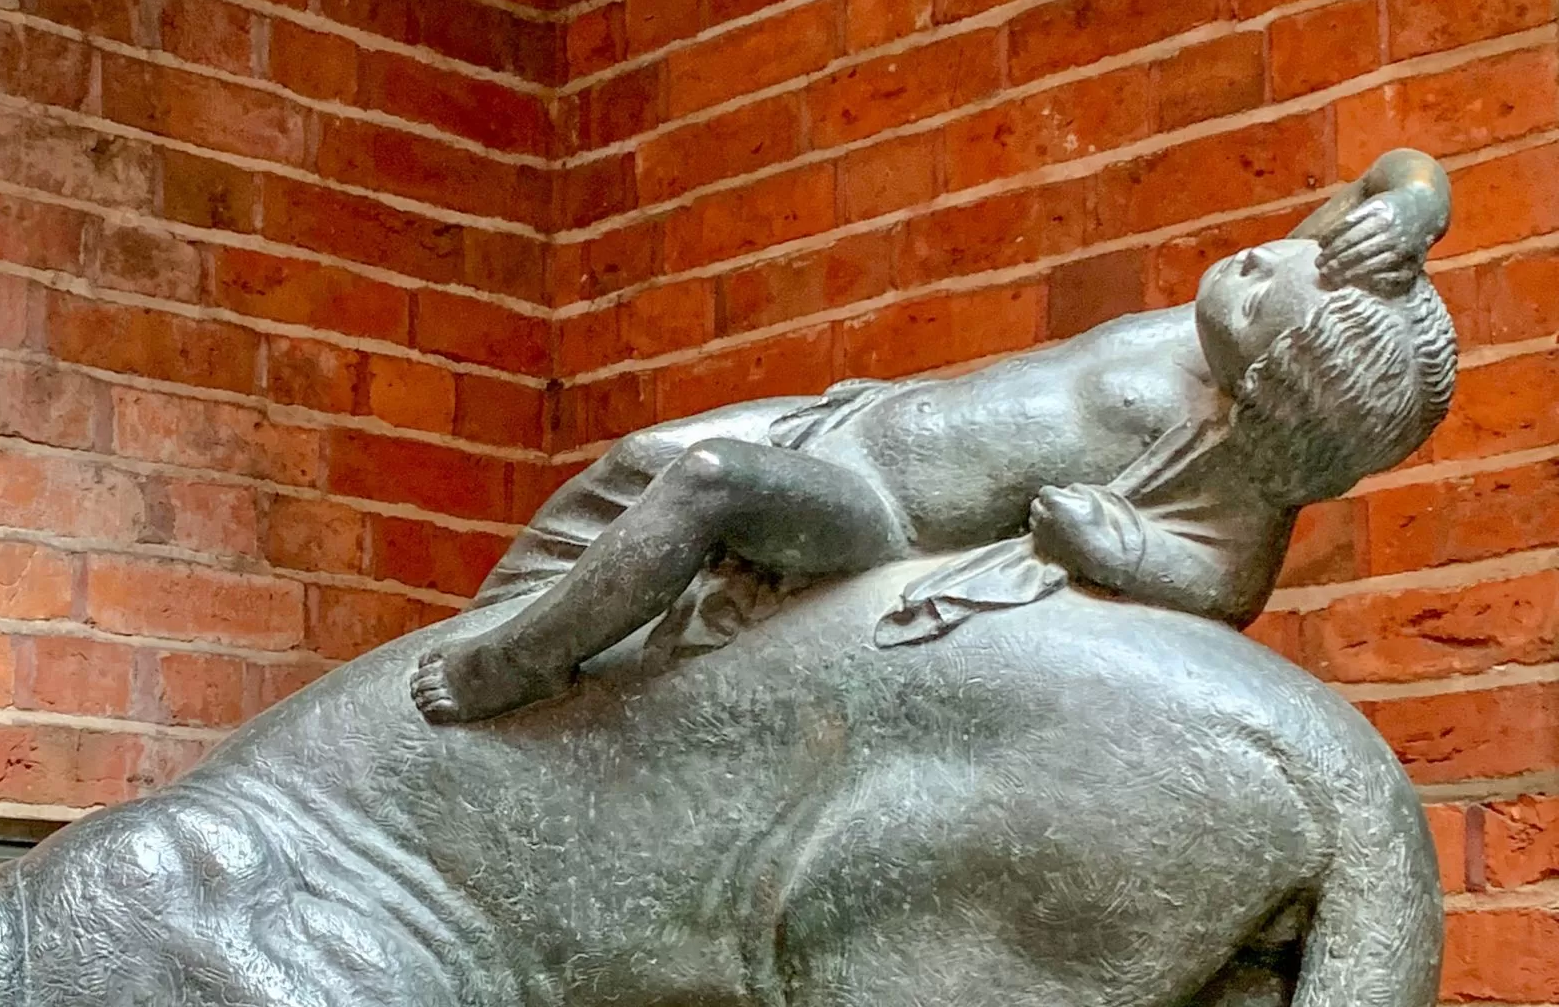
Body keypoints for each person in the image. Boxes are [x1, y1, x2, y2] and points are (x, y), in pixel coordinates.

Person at [411, 149, 1458, 724]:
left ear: (1275, 391)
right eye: (1293, 258)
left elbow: (1225, 584)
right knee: (632, 466)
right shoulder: (1232, 311)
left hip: (876, 518)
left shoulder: (1230, 460)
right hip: (849, 421)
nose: (1270, 260)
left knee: (710, 482)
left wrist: (1119, 548)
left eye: (1277, 292)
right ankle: (502, 615)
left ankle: (518, 664)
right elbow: (1384, 180)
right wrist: (1416, 209)